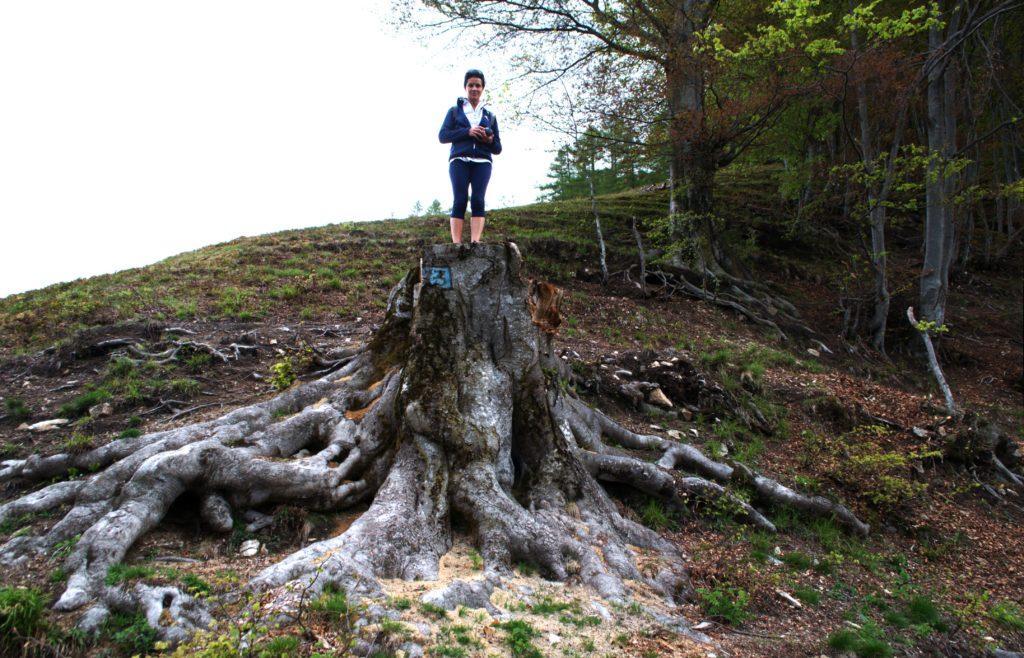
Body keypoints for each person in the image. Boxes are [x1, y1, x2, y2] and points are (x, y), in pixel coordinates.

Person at [438, 69, 502, 244]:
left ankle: (475, 242)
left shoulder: (490, 116)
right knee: (459, 199)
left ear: (482, 89)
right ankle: (456, 244)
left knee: (478, 199)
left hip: (482, 162)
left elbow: (498, 148)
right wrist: (468, 131)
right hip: (459, 160)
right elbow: (443, 136)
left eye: (478, 85)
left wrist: (488, 139)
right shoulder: (454, 112)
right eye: (471, 85)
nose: (474, 88)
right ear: (465, 87)